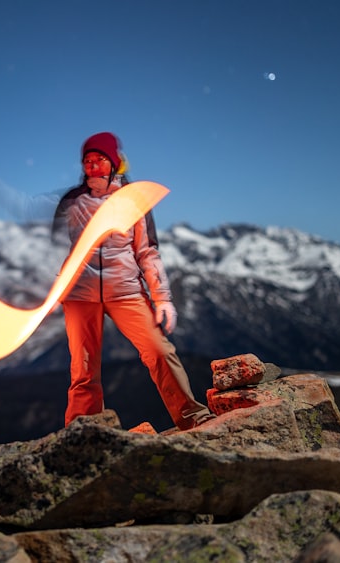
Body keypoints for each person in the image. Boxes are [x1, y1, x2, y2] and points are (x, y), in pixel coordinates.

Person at [52, 132, 214, 430]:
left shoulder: (134, 200)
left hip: (125, 290)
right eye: (87, 161)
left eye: (99, 160)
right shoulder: (73, 201)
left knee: (158, 351)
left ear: (114, 163)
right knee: (83, 371)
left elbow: (146, 251)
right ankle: (86, 434)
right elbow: (68, 250)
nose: (93, 167)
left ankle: (194, 418)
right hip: (80, 294)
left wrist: (162, 298)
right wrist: (57, 289)